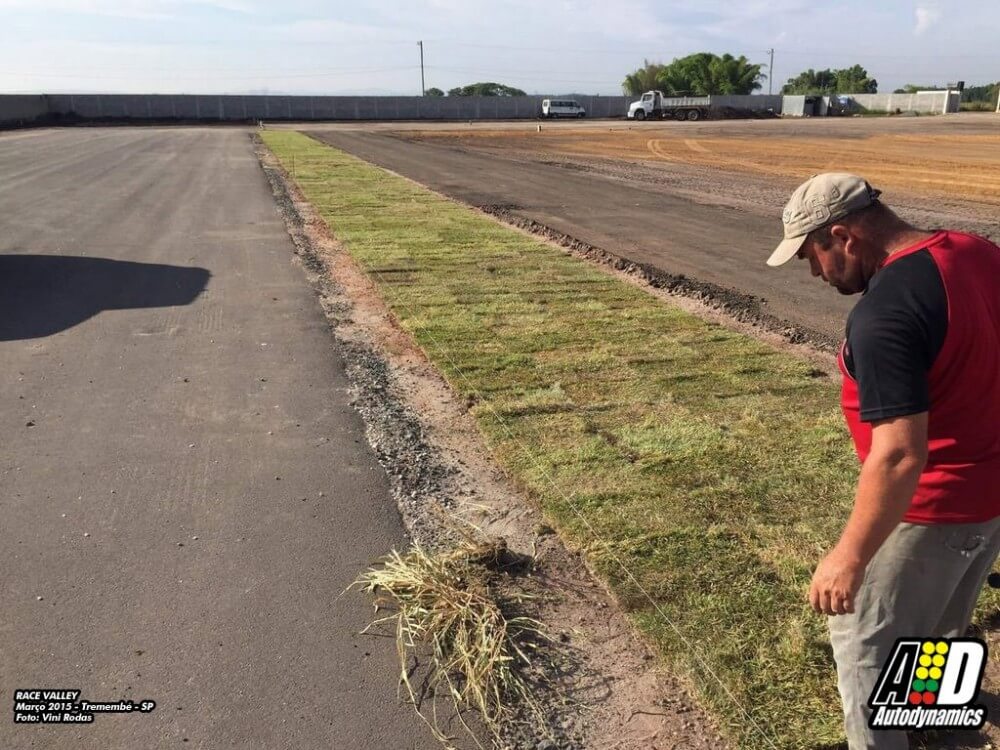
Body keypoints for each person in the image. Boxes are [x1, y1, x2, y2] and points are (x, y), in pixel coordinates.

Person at [767, 173, 1000, 749]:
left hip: (929, 511)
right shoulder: (977, 254)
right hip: (986, 500)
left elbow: (898, 455)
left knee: (865, 649)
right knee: (936, 637)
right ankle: (948, 738)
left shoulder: (885, 315)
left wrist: (849, 556)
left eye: (812, 255)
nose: (815, 274)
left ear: (843, 236)